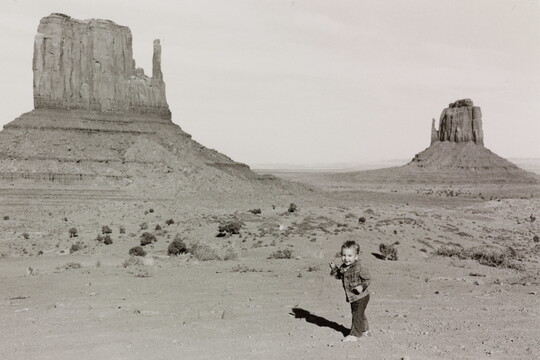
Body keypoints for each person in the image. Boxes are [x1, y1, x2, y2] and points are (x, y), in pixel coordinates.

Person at [329, 240, 371, 342]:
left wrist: (362, 286)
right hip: (353, 296)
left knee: (357, 313)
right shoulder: (344, 267)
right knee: (358, 313)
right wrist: (334, 268)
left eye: (349, 256)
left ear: (356, 257)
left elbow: (368, 279)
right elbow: (339, 276)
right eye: (344, 255)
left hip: (361, 296)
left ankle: (355, 334)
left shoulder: (359, 267)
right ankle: (365, 330)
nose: (346, 258)